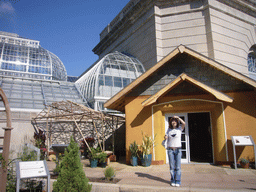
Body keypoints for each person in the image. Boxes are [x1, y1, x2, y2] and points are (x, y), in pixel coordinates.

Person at [164, 116, 185, 187]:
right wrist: (165, 137)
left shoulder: (179, 129)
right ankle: (173, 180)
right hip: (170, 150)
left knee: (178, 167)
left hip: (178, 150)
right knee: (172, 167)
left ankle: (178, 181)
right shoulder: (169, 130)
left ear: (177, 122)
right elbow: (166, 135)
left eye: (175, 121)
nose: (174, 122)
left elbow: (184, 123)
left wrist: (178, 118)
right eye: (173, 121)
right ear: (170, 123)